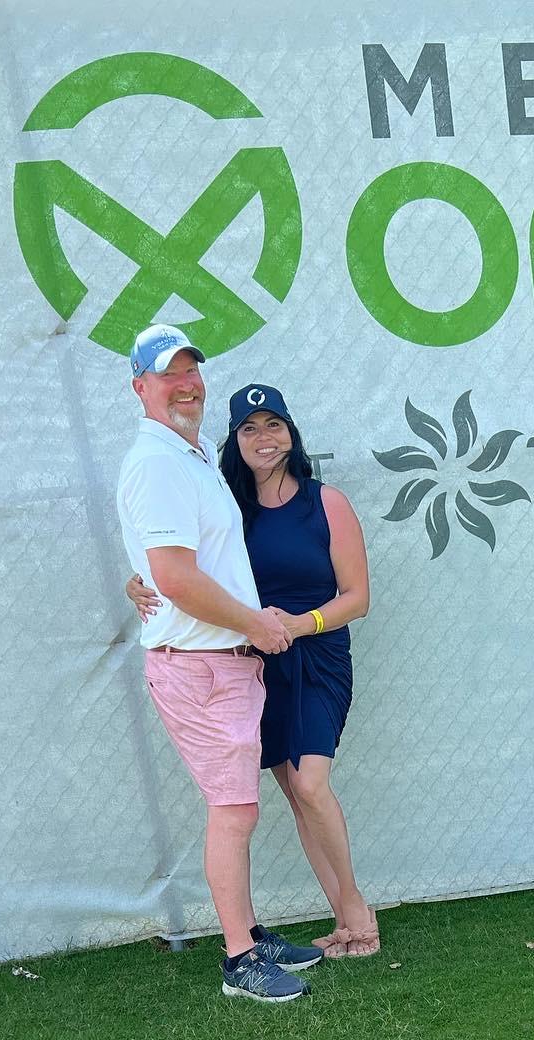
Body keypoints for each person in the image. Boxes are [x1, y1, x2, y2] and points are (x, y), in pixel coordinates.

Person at [127, 381, 378, 956]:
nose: (264, 438)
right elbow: (176, 561)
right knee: (295, 791)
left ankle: (356, 908)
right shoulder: (227, 506)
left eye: (274, 425)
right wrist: (134, 583)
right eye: (249, 429)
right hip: (257, 664)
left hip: (316, 658)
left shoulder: (326, 503)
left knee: (311, 782)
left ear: (291, 433)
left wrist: (300, 624)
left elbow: (357, 597)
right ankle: (342, 920)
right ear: (234, 441)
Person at [115, 323, 326, 1003]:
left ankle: (249, 933)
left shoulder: (194, 451)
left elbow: (172, 563)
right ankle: (240, 959)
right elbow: (175, 577)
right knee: (233, 813)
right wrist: (256, 625)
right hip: (201, 666)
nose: (186, 385)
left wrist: (145, 581)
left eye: (191, 371)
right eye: (168, 374)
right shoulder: (158, 462)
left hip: (220, 663)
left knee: (239, 809)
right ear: (140, 387)